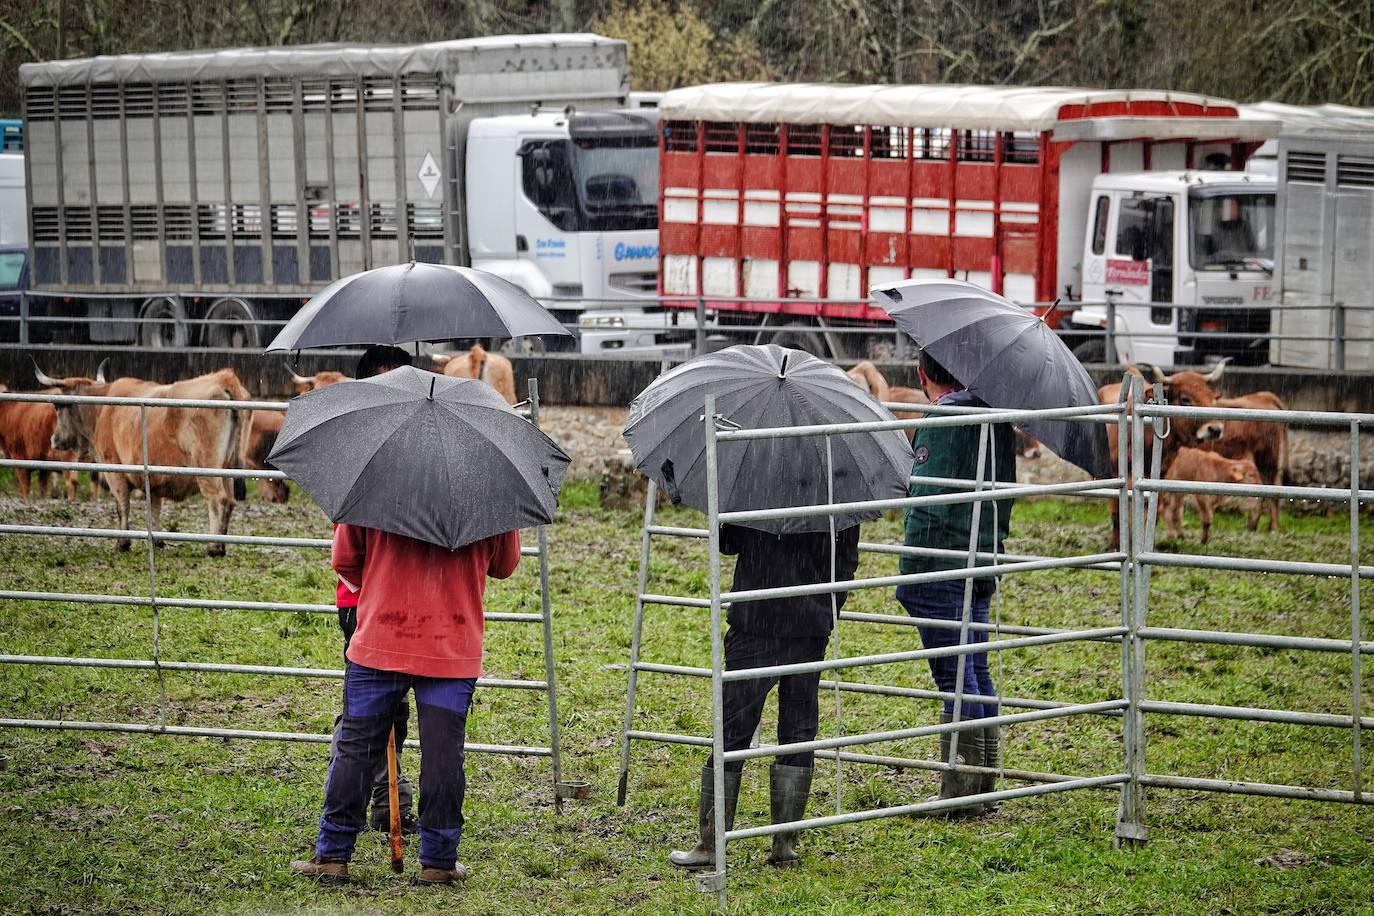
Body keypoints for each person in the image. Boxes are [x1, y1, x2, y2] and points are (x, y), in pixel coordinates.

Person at [292, 522, 521, 885]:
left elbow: (345, 559)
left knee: (356, 747)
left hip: (381, 636)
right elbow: (504, 565)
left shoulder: (376, 477)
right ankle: (439, 863)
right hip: (452, 641)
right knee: (444, 754)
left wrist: (387, 581)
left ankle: (333, 856)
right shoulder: (486, 486)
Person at [669, 522, 860, 870]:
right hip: (807, 623)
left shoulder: (756, 478)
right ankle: (784, 845)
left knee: (733, 729)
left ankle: (711, 844)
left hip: (757, 617)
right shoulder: (838, 478)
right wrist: (824, 608)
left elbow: (727, 542)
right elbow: (847, 558)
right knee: (798, 729)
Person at [893, 349, 1015, 815]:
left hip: (939, 559)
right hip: (981, 552)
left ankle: (960, 789)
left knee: (955, 674)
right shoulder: (994, 416)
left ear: (923, 374)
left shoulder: (945, 417)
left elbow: (927, 492)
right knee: (975, 665)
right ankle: (981, 782)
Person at [330, 345, 418, 834]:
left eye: (401, 378)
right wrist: (376, 586)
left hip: (404, 598)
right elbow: (345, 552)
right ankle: (374, 799)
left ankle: (387, 799)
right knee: (366, 710)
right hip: (363, 598)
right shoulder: (355, 444)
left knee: (393, 710)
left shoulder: (421, 438)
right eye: (384, 380)